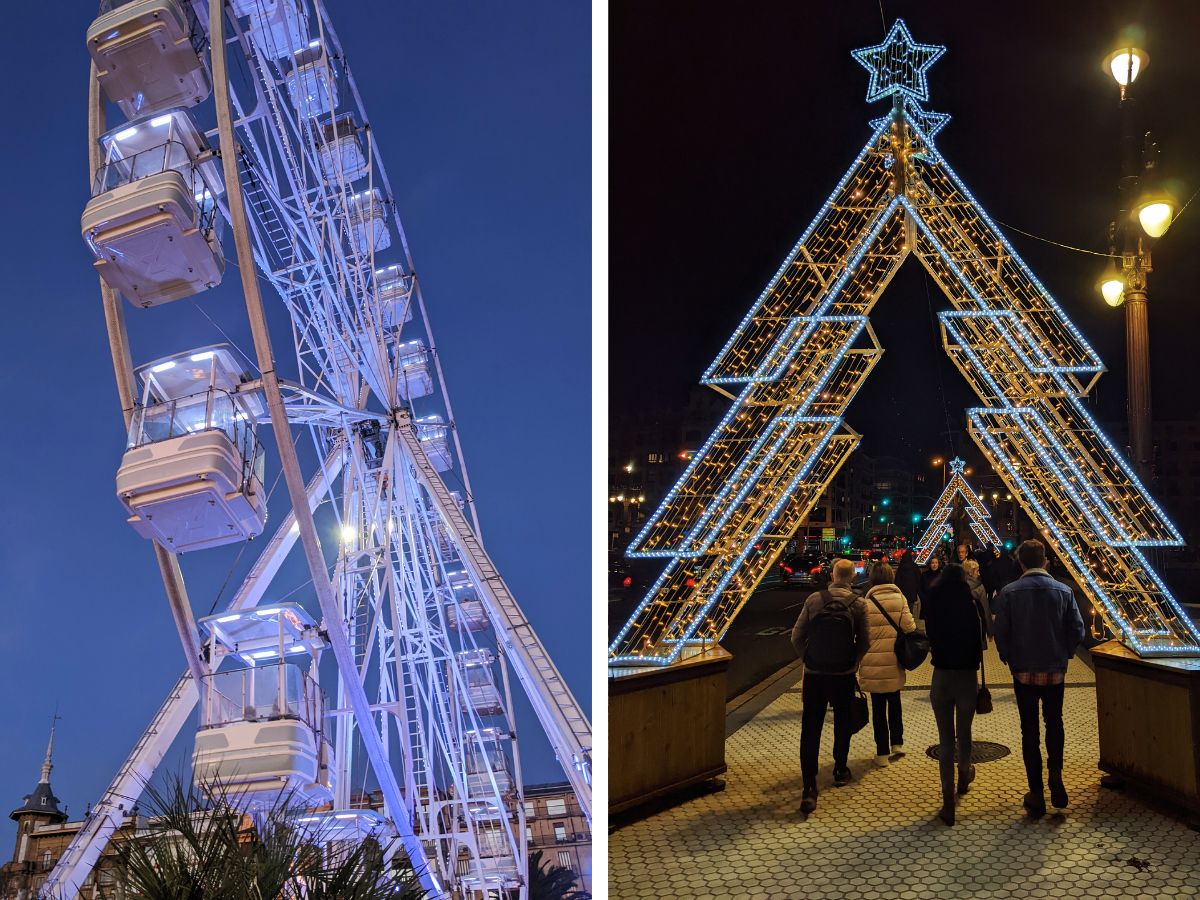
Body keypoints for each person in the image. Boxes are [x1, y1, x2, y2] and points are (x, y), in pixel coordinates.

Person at [992, 539, 1085, 818]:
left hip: (1023, 672)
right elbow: (1077, 630)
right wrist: (1065, 654)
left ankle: (1036, 792)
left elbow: (1001, 631)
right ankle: (1055, 774)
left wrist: (1009, 657)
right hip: (1054, 671)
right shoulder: (1064, 591)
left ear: (1021, 562)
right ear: (1045, 561)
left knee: (1029, 730)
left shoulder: (1009, 593)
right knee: (1054, 723)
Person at [791, 558, 871, 814]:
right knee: (842, 721)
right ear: (852, 578)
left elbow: (796, 635)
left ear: (833, 575)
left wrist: (808, 658)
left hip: (815, 674)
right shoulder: (859, 604)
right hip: (843, 674)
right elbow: (865, 642)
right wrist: (854, 663)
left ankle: (809, 786)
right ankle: (839, 768)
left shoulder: (814, 599)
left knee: (810, 727)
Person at [924, 563, 986, 825]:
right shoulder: (970, 604)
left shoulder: (933, 602)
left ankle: (947, 799)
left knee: (946, 739)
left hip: (941, 675)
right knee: (965, 731)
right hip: (966, 676)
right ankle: (964, 773)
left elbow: (930, 637)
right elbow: (978, 641)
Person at [859, 562, 916, 767]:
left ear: (873, 578)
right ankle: (897, 743)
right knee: (895, 702)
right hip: (893, 659)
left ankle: (881, 753)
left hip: (872, 661)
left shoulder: (865, 603)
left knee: (878, 709)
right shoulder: (899, 598)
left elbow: (861, 634)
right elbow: (910, 627)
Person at [962, 558, 992, 638]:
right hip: (978, 625)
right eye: (977, 571)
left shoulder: (960, 587)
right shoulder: (979, 587)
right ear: (970, 572)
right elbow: (985, 609)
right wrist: (990, 630)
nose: (979, 574)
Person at [895, 550, 921, 616]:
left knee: (903, 610)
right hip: (912, 592)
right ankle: (910, 623)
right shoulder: (915, 566)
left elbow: (897, 580)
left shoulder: (900, 567)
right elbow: (919, 579)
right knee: (910, 609)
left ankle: (904, 623)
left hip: (902, 593)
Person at [918, 554, 943, 620]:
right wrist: (924, 599)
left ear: (938, 564)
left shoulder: (942, 575)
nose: (934, 565)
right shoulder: (924, 575)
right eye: (932, 563)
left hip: (939, 605)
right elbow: (920, 588)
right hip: (927, 605)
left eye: (936, 563)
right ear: (929, 564)